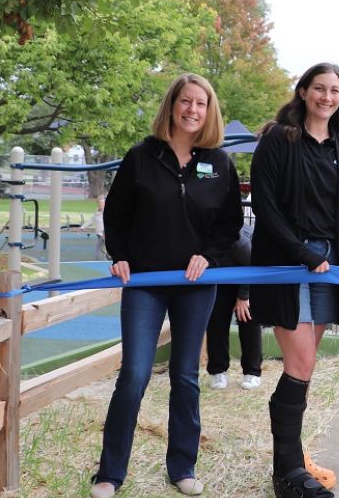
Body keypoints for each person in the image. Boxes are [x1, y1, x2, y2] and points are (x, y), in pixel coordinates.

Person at [91, 73, 243, 498]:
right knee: (135, 375)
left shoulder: (219, 162)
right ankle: (109, 473)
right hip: (146, 283)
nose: (193, 110)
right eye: (186, 102)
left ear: (209, 111)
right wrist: (118, 255)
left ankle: (182, 466)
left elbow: (230, 224)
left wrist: (208, 256)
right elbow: (116, 215)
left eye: (201, 103)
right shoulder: (142, 156)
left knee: (185, 376)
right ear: (172, 106)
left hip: (196, 284)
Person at [251, 63, 339, 498]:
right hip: (289, 262)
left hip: (328, 266)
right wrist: (303, 254)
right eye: (319, 88)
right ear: (302, 92)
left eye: (335, 90)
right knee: (300, 365)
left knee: (305, 367)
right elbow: (265, 204)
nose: (327, 97)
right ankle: (288, 474)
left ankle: (293, 460)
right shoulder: (280, 139)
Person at [205, 225, 263, 390]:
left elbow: (254, 263)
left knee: (248, 318)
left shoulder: (235, 237)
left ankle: (252, 372)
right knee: (215, 320)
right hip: (219, 277)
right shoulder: (200, 235)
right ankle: (217, 371)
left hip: (247, 275)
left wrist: (244, 296)